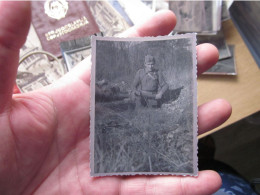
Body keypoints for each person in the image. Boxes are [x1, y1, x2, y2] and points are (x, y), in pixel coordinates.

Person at [0, 2, 232, 195]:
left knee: (158, 123)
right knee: (134, 116)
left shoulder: (159, 74)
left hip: (157, 103)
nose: (150, 66)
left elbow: (164, 87)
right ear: (144, 64)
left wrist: (160, 95)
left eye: (152, 63)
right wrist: (139, 94)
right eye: (148, 63)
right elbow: (136, 87)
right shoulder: (140, 73)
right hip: (142, 101)